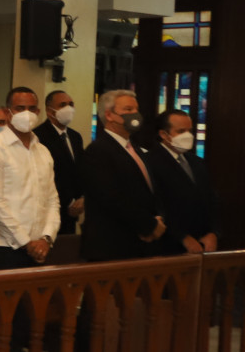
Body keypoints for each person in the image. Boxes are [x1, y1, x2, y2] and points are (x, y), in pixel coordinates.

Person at [0, 87, 59, 272]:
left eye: (32, 109)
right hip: (5, 247)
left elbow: (52, 200)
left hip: (41, 247)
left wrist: (46, 238)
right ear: (8, 113)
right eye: (20, 108)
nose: (26, 114)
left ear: (38, 112)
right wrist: (26, 242)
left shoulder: (43, 151)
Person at [79, 89, 166, 262]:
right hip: (112, 245)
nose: (135, 114)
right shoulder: (98, 150)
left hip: (140, 243)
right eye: (128, 109)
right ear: (109, 115)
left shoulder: (135, 149)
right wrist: (149, 225)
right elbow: (111, 198)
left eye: (136, 109)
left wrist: (157, 220)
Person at [148, 109, 218, 254]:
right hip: (168, 247)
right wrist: (182, 237)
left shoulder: (197, 162)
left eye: (189, 130)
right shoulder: (150, 162)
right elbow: (156, 206)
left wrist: (213, 233)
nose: (187, 135)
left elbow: (211, 200)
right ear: (163, 134)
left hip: (202, 243)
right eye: (181, 131)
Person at [35, 90, 86, 235]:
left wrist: (82, 198)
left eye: (71, 104)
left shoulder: (75, 137)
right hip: (49, 211)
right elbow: (44, 175)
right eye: (62, 105)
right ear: (49, 111)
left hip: (73, 213)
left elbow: (80, 170)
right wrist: (69, 202)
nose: (68, 108)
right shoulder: (38, 136)